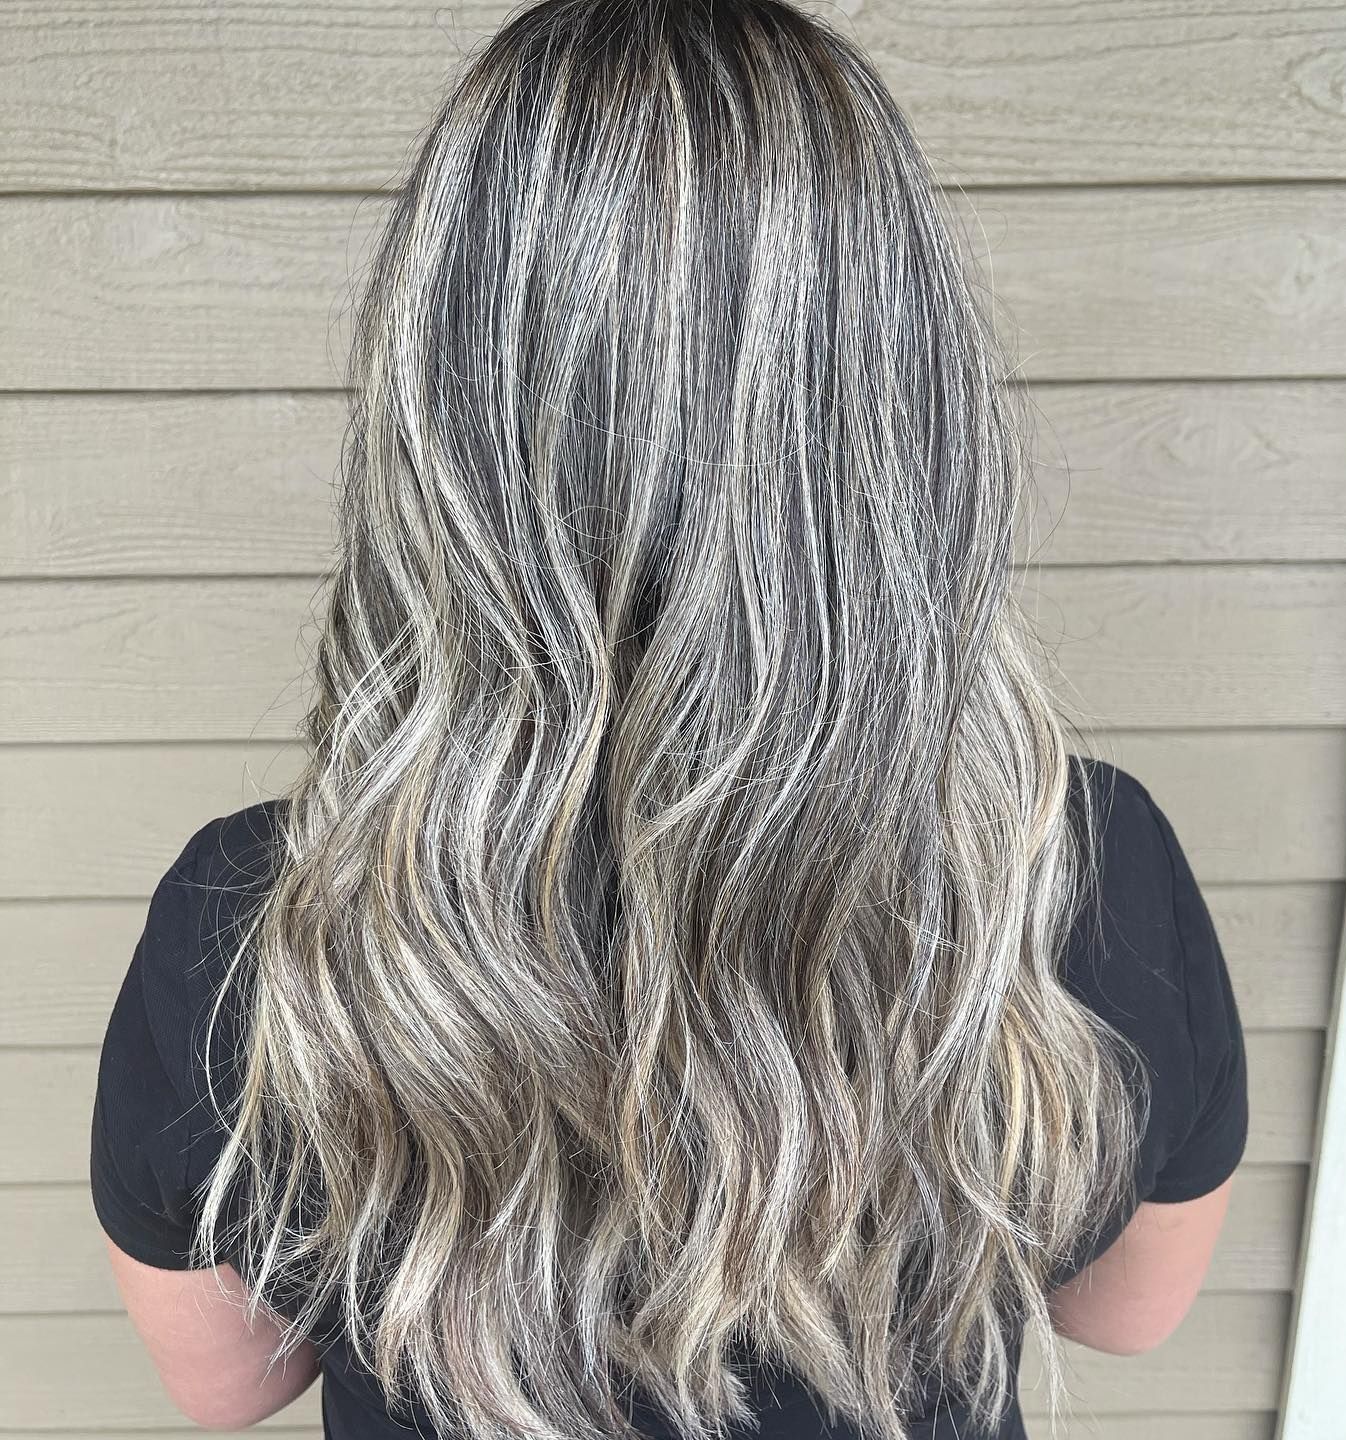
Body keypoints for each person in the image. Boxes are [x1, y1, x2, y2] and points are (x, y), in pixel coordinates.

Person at [88, 3, 1248, 1438]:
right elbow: (1127, 1313)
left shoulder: (254, 933)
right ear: (908, 424)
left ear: (442, 426)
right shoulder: (1082, 873)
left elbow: (227, 1390)